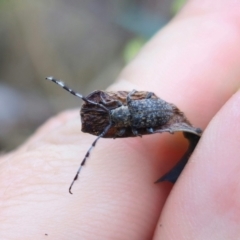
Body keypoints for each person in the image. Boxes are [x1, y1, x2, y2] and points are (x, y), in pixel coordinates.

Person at [1, 1, 240, 239]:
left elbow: (145, 119)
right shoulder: (128, 110)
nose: (113, 115)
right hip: (152, 112)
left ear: (121, 108)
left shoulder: (130, 117)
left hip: (158, 112)